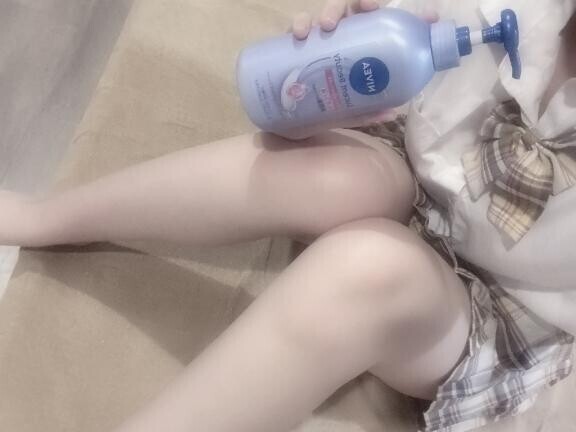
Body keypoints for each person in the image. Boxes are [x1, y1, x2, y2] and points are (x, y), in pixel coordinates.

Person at [1, 0, 575, 431]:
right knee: (339, 180)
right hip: (424, 173)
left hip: (509, 317)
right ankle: (49, 218)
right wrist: (346, 52)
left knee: (371, 269)